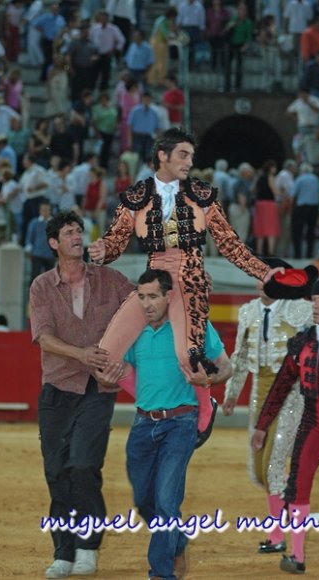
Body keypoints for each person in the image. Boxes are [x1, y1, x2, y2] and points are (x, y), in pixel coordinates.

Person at [89, 127, 281, 445]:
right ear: (162, 156)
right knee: (105, 358)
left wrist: (263, 272)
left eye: (191, 155)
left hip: (189, 280)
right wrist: (101, 251)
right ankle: (154, 403)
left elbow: (230, 245)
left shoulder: (202, 197)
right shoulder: (137, 196)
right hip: (153, 283)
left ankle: (204, 408)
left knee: (187, 356)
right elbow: (115, 241)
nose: (190, 161)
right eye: (183, 154)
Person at [96, 268, 232, 580]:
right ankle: (177, 541)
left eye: (152, 296)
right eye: (141, 297)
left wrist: (207, 378)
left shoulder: (192, 328)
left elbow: (227, 367)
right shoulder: (133, 332)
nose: (145, 304)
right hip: (143, 425)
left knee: (167, 501)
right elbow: (114, 371)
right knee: (145, 500)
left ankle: (161, 573)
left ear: (168, 296)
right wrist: (107, 376)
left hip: (180, 423)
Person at [29, 209, 134, 579]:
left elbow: (142, 313)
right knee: (56, 472)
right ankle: (64, 551)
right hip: (57, 389)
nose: (77, 236)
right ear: (54, 243)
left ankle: (87, 546)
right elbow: (43, 336)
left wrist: (126, 358)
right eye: (68, 232)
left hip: (97, 388)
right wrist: (81, 353)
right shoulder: (42, 286)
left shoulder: (111, 280)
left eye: (79, 230)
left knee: (83, 465)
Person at [251, 279, 319, 574]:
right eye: (314, 300)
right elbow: (281, 386)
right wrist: (262, 425)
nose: (316, 305)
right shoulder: (302, 343)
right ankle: (297, 557)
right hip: (313, 420)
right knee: (298, 484)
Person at [223, 261, 312, 554]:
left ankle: (277, 535)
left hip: (291, 394)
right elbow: (239, 356)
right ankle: (289, 499)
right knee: (258, 472)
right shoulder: (248, 311)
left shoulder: (299, 309)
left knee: (273, 467)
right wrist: (231, 393)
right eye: (259, 275)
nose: (261, 281)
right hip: (260, 393)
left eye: (270, 276)